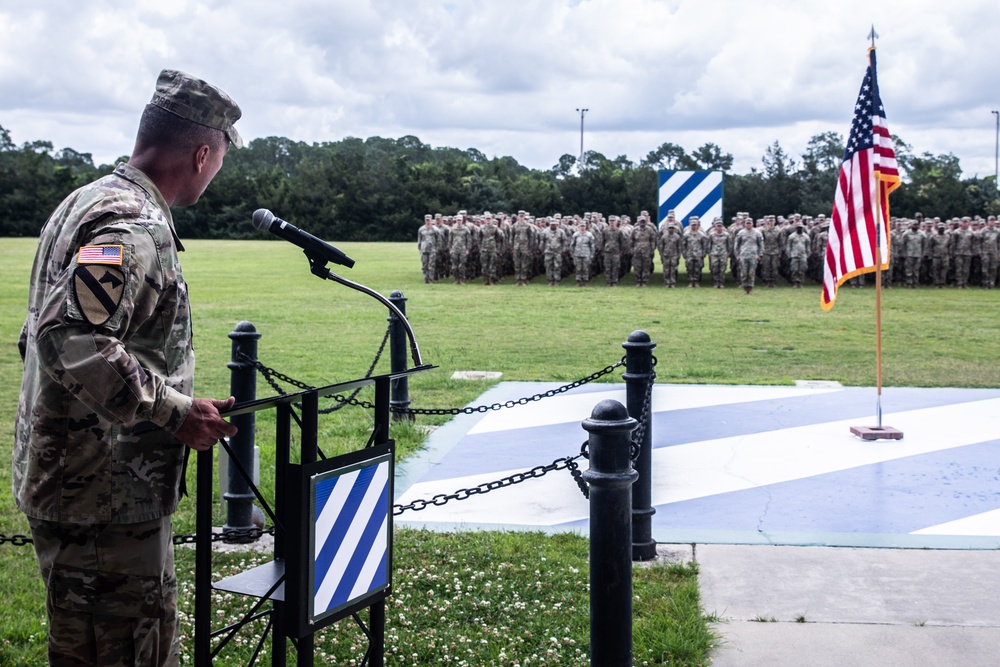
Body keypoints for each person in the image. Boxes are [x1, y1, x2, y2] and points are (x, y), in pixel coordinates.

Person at [13, 69, 242, 666]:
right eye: (218, 160)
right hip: (104, 499)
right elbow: (71, 335)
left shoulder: (86, 200)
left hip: (80, 480)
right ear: (201, 154)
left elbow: (38, 332)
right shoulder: (133, 224)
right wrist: (173, 411)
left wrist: (157, 393)